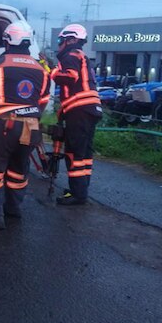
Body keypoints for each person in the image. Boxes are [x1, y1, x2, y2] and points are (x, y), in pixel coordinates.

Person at [0, 21, 47, 230]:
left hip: (1, 126)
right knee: (19, 169)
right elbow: (43, 100)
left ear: (8, 41)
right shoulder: (41, 69)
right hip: (31, 126)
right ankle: (13, 209)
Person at [50, 23, 103, 206]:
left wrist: (52, 71)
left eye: (60, 40)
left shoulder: (70, 55)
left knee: (74, 152)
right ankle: (81, 190)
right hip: (90, 109)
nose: (59, 44)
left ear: (71, 39)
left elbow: (68, 77)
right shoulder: (82, 56)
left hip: (79, 110)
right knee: (85, 153)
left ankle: (77, 194)